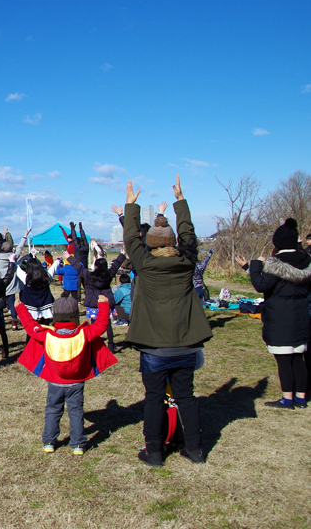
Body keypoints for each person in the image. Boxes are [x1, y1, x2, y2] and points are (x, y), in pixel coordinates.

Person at [123, 175, 212, 467]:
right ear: (173, 242)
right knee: (187, 397)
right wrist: (180, 201)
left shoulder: (144, 264)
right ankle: (196, 450)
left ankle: (155, 453)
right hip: (186, 345)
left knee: (153, 399)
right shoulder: (186, 263)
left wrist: (130, 207)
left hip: (154, 348)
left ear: (149, 244)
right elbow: (189, 236)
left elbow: (129, 238)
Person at [16, 294, 118, 455]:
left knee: (52, 410)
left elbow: (31, 326)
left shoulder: (47, 335)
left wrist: (20, 308)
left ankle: (49, 441)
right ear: (76, 315)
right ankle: (78, 444)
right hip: (76, 383)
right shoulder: (84, 334)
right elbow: (101, 325)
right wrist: (104, 306)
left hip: (55, 383)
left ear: (55, 315)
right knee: (76, 411)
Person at [237, 218, 311, 410]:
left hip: (280, 316)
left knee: (284, 359)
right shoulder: (306, 261)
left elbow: (261, 285)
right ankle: (301, 397)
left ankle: (287, 399)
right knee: (298, 357)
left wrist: (255, 266)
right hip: (301, 314)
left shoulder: (275, 264)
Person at [66, 250, 127, 352]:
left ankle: (95, 346)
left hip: (94, 304)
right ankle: (111, 346)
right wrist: (122, 254)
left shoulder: (89, 276)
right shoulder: (109, 275)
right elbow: (116, 265)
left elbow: (79, 268)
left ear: (95, 266)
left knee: (94, 326)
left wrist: (69, 257)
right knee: (108, 325)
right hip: (106, 303)